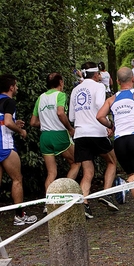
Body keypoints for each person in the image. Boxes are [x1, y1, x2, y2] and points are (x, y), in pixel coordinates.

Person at [96, 67, 134, 223]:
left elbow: (100, 116)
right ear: (133, 80)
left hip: (119, 141)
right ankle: (123, 184)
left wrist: (111, 125)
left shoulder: (112, 99)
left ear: (117, 82)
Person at [69, 62, 119, 219]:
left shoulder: (75, 90)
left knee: (88, 172)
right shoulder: (99, 87)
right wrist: (110, 124)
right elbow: (99, 105)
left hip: (80, 134)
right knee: (112, 162)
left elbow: (71, 117)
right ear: (96, 74)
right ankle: (106, 193)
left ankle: (84, 203)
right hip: (96, 131)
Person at [30, 73, 81, 214]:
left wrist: (46, 122)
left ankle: (49, 203)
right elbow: (60, 113)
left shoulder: (40, 98)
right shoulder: (60, 95)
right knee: (76, 162)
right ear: (60, 82)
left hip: (45, 136)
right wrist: (70, 128)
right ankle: (64, 196)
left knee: (51, 172)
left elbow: (33, 122)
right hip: (59, 134)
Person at [0, 74, 37, 225]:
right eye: (15, 85)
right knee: (17, 179)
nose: (17, 88)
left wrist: (16, 123)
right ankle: (19, 215)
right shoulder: (9, 101)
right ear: (10, 87)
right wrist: (20, 131)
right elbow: (7, 123)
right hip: (5, 145)